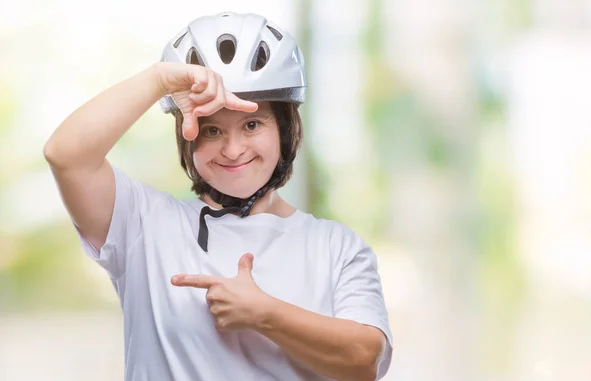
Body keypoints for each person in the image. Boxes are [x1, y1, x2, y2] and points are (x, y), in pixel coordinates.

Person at [44, 11, 393, 381]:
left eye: (252, 124)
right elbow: (66, 156)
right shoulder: (144, 225)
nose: (232, 149)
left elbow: (364, 360)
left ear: (286, 130)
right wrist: (159, 79)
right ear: (188, 138)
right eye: (211, 130)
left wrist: (264, 313)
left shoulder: (336, 247)